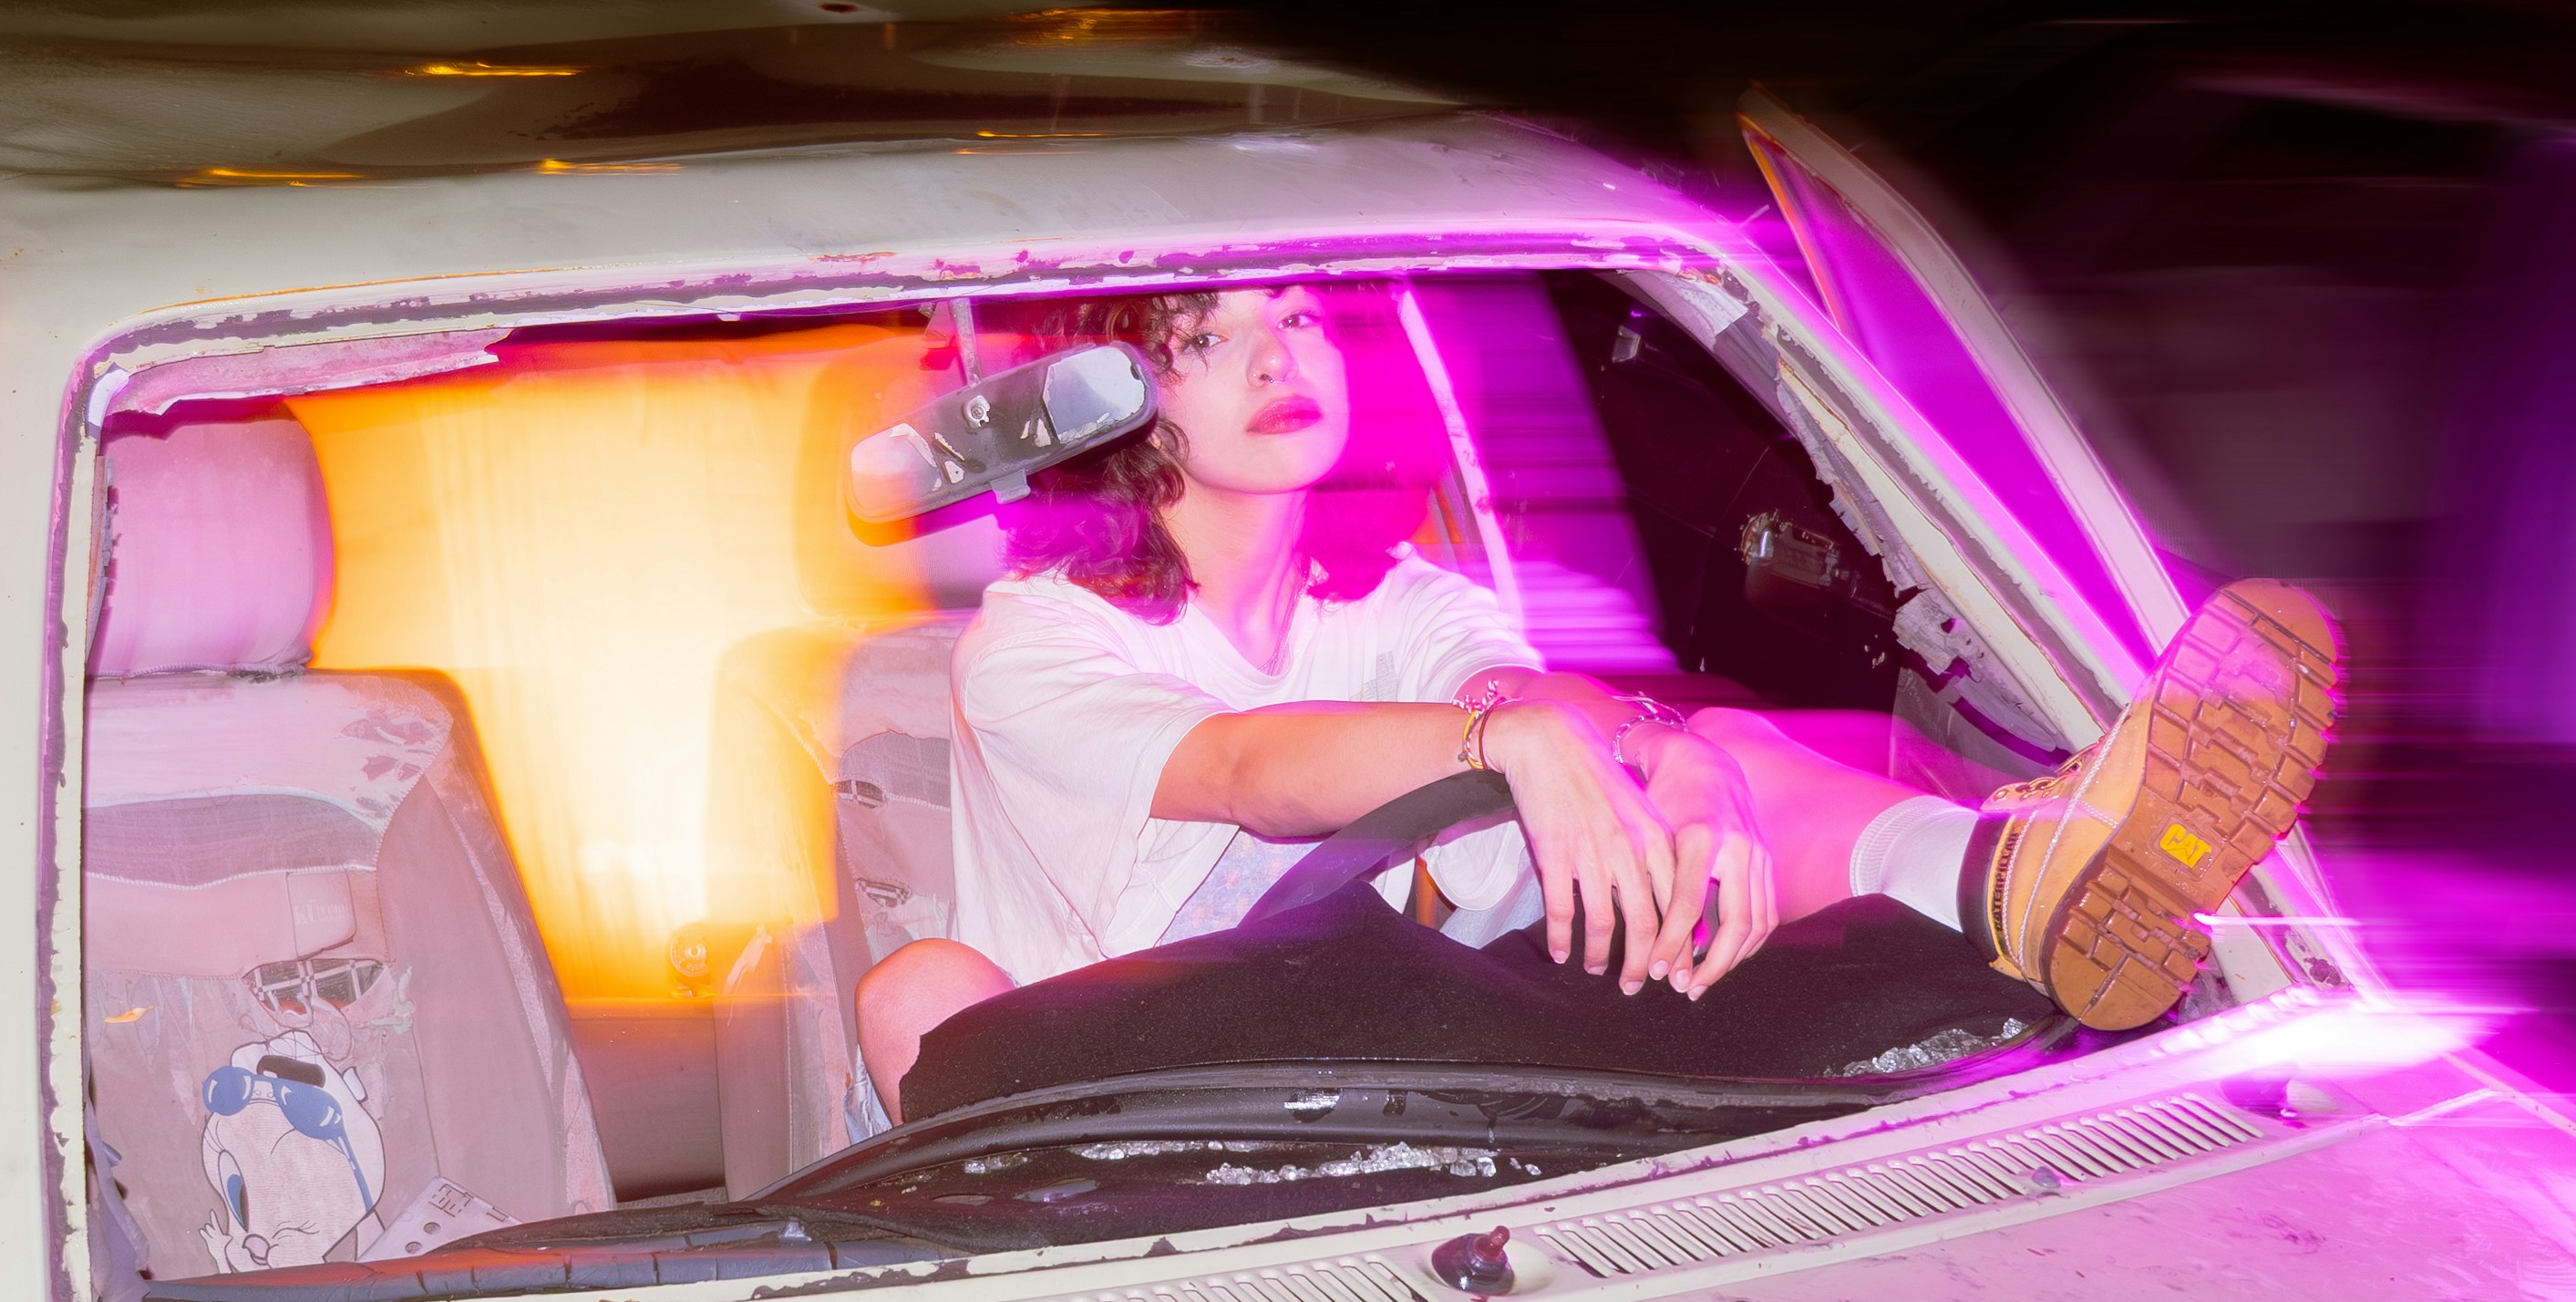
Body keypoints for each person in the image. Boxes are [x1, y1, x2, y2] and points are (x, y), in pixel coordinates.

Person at [853, 279, 2339, 1115]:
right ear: (1107, 393)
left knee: (1729, 745)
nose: (1277, 354)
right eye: (1201, 337)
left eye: (1302, 315)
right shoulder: (1032, 640)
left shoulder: (1400, 597)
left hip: (1401, 1022)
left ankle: (2016, 873)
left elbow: (1509, 681)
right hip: (1140, 1096)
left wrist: (1660, 751)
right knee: (915, 989)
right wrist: (1523, 741)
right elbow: (1248, 768)